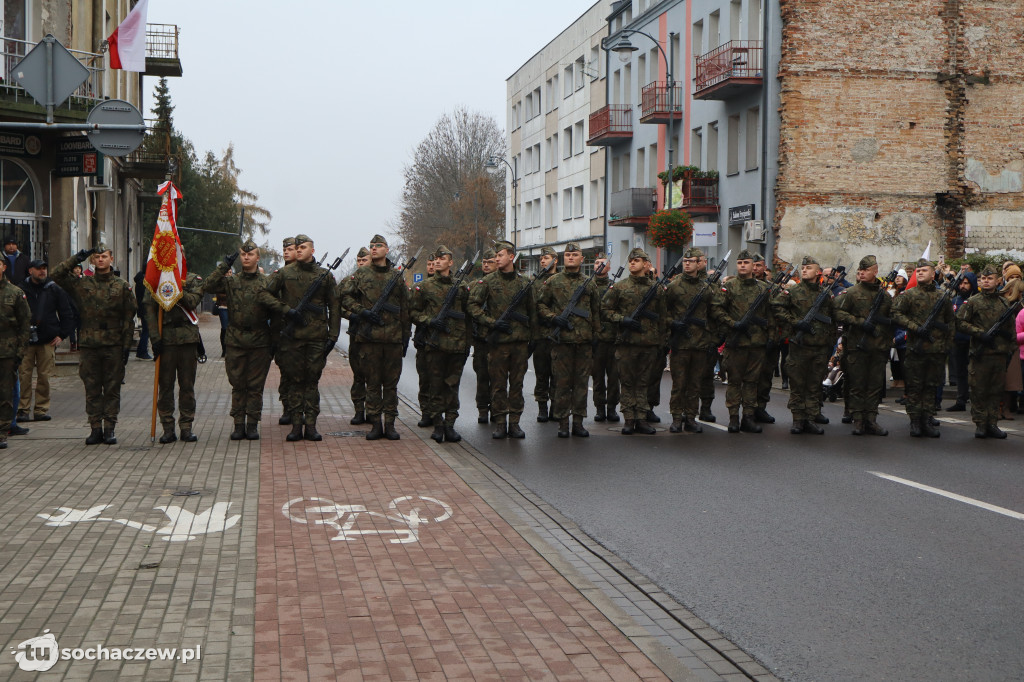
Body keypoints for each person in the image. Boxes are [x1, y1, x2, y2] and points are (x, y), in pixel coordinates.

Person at [52, 245, 135, 445]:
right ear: (92, 261)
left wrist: (126, 346)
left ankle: (109, 428)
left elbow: (129, 317)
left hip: (113, 344)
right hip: (90, 344)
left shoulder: (121, 286)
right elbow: (56, 275)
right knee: (92, 387)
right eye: (97, 257)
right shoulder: (82, 284)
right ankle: (95, 427)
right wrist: (76, 259)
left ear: (111, 259)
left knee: (112, 388)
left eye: (104, 256)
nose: (100, 260)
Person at [204, 241, 287, 440]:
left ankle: (252, 425)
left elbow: (276, 313)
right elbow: (208, 286)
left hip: (260, 339)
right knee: (238, 384)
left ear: (257, 258)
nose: (246, 258)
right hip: (235, 339)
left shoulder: (267, 282)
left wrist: (275, 340)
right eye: (243, 255)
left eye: (250, 255)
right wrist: (225, 265)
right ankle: (238, 424)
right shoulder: (231, 281)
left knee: (255, 386)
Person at [269, 234, 342, 441]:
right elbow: (264, 295)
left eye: (303, 247)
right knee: (294, 381)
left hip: (316, 338)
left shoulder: (324, 276)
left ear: (313, 250)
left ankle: (310, 425)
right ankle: (296, 425)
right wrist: (286, 310)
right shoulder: (284, 273)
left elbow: (335, 306)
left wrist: (333, 336)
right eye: (297, 247)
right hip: (292, 337)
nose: (299, 250)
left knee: (311, 381)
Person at [467, 240, 537, 439]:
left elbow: (533, 313)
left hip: (519, 343)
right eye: (496, 256)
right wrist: (491, 323)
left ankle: (514, 422)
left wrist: (534, 339)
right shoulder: (488, 282)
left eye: (500, 255)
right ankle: (500, 422)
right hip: (498, 343)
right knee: (498, 384)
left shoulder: (525, 283)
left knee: (517, 384)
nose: (497, 259)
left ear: (511, 257)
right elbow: (473, 306)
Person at [342, 234, 409, 440]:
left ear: (387, 250)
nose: (374, 249)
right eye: (371, 246)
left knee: (390, 385)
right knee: (372, 383)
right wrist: (361, 311)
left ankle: (390, 424)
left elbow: (406, 310)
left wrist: (405, 339)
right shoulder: (361, 275)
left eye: (378, 246)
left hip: (392, 340)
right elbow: (344, 296)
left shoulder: (396, 277)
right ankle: (375, 424)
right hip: (368, 339)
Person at [536, 243, 600, 437]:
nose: (571, 257)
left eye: (575, 255)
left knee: (581, 384)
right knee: (562, 384)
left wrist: (596, 337)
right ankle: (563, 423)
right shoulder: (554, 282)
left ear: (582, 259)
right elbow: (540, 305)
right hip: (561, 341)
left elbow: (596, 312)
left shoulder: (590, 283)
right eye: (568, 254)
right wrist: (554, 318)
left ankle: (578, 422)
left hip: (583, 343)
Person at [600, 248, 665, 435]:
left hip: (649, 343)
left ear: (646, 264)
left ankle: (642, 418)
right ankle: (629, 419)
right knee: (627, 382)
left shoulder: (657, 288)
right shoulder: (620, 287)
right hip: (626, 343)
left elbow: (662, 317)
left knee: (644, 382)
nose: (632, 263)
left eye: (637, 260)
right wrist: (622, 319)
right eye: (631, 261)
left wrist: (662, 343)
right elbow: (605, 310)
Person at [409, 245, 470, 443]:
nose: (437, 261)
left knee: (452, 387)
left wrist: (467, 343)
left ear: (450, 262)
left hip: (456, 345)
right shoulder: (425, 287)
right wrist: (429, 321)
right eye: (435, 259)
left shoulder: (462, 286)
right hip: (434, 345)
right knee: (435, 386)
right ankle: (438, 424)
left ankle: (450, 425)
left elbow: (468, 316)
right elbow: (413, 312)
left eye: (442, 259)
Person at [711, 249, 775, 433]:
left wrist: (771, 337)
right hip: (735, 342)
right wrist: (733, 324)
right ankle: (733, 417)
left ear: (753, 266)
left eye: (746, 263)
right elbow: (717, 310)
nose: (743, 266)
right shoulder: (729, 287)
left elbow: (770, 315)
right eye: (740, 263)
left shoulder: (763, 288)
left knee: (752, 382)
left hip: (756, 344)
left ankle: (748, 416)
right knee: (734, 382)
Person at [774, 256, 838, 434]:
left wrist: (830, 343)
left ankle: (810, 418)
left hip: (820, 347)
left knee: (814, 385)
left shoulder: (826, 293)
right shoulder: (793, 292)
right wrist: (795, 323)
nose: (804, 270)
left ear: (818, 272)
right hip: (799, 346)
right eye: (803, 268)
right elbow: (777, 307)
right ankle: (797, 419)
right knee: (797, 385)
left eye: (808, 268)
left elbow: (832, 319)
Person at [891, 259, 955, 437]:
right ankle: (915, 421)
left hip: (936, 350)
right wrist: (913, 327)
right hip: (915, 349)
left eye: (924, 270)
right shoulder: (909, 295)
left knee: (930, 386)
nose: (919, 273)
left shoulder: (942, 296)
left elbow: (950, 322)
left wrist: (947, 345)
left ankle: (927, 419)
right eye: (917, 270)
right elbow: (895, 314)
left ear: (933, 273)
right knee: (914, 386)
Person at [834, 255, 893, 435]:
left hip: (878, 347)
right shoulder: (852, 293)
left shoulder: (884, 295)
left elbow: (891, 319)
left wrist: (886, 342)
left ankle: (871, 419)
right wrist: (859, 322)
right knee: (857, 385)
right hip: (857, 347)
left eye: (866, 270)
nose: (861, 273)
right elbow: (837, 312)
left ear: (875, 271)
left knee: (874, 385)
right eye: (860, 270)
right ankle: (858, 420)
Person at [956, 264, 1016, 438]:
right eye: (983, 278)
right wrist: (979, 333)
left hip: (999, 354)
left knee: (995, 390)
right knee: (979, 390)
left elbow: (1010, 329)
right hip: (981, 354)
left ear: (998, 281)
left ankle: (992, 423)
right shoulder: (974, 301)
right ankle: (981, 424)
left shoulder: (1003, 302)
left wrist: (1010, 350)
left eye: (989, 278)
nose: (986, 281)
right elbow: (959, 322)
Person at [147, 269, 205, 443]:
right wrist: (154, 337)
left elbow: (193, 301)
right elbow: (149, 309)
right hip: (166, 340)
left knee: (187, 386)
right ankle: (167, 428)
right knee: (165, 387)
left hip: (187, 339)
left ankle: (186, 427)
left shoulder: (193, 279)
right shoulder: (156, 278)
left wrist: (176, 284)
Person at [665, 247, 716, 433]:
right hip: (681, 344)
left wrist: (711, 337)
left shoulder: (706, 287)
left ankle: (691, 417)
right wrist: (673, 324)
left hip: (700, 343)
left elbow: (713, 313)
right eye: (685, 261)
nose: (687, 264)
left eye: (691, 261)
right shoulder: (674, 286)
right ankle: (676, 418)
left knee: (695, 383)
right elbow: (664, 312)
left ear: (699, 264)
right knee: (679, 384)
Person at [17, 259, 74, 422]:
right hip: (26, 341)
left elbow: (66, 313)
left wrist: (62, 334)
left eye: (44, 268)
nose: (42, 271)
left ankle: (41, 409)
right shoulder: (20, 289)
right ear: (30, 271)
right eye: (38, 269)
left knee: (44, 377)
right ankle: (23, 409)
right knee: (24, 376)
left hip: (47, 341)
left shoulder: (54, 289)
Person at [0, 256, 30, 449]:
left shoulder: (15, 293)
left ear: (3, 267)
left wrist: (20, 352)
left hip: (6, 353)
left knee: (4, 395)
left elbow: (25, 325)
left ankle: (2, 431)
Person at [341, 247, 371, 424]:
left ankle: (373, 411)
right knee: (358, 374)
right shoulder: (349, 281)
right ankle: (359, 410)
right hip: (356, 333)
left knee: (374, 376)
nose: (361, 264)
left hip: (375, 335)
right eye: (359, 261)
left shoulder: (379, 280)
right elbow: (338, 302)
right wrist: (351, 315)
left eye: (364, 260)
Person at [753, 253, 783, 424]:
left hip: (770, 339)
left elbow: (778, 313)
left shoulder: (774, 288)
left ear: (764, 267)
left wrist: (776, 337)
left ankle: (761, 408)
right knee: (749, 378)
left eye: (759, 266)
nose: (756, 269)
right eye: (754, 265)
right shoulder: (743, 286)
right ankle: (748, 410)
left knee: (765, 377)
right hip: (750, 339)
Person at [590, 252, 620, 423]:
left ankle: (612, 408)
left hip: (613, 338)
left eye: (602, 263)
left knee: (614, 377)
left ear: (609, 267)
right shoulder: (588, 286)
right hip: (596, 340)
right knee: (597, 377)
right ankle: (599, 408)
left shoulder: (616, 286)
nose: (599, 265)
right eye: (596, 263)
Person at [272, 236, 298, 425]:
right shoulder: (279, 274)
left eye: (290, 249)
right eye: (284, 250)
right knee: (286, 372)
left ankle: (302, 409)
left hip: (304, 330)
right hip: (282, 330)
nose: (286, 252)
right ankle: (288, 407)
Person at [532, 245, 558, 422]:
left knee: (557, 374)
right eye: (541, 258)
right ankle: (542, 407)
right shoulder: (534, 282)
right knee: (541, 374)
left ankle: (556, 407)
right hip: (540, 335)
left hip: (557, 334)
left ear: (555, 261)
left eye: (546, 258)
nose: (543, 260)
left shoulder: (561, 280)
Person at [946, 271, 978, 411]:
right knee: (960, 372)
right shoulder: (954, 300)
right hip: (957, 342)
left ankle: (976, 401)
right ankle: (961, 400)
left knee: (974, 372)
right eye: (961, 283)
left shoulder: (976, 300)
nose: (963, 286)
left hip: (972, 342)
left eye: (966, 283)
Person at [472, 249, 496, 423]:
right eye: (484, 262)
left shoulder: (502, 285)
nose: (486, 265)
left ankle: (497, 409)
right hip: (481, 338)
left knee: (499, 378)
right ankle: (482, 409)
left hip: (499, 339)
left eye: (490, 262)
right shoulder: (476, 285)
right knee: (482, 376)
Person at [413, 254, 437, 428]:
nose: (431, 266)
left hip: (443, 341)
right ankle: (426, 412)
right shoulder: (420, 288)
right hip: (424, 339)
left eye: (434, 263)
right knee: (425, 379)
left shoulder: (451, 286)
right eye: (428, 264)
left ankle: (438, 413)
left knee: (440, 380)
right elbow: (412, 312)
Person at [132, 269, 152, 359]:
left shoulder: (139, 281)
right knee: (146, 331)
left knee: (146, 330)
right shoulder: (144, 282)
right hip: (146, 310)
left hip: (142, 309)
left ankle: (142, 350)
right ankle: (142, 351)